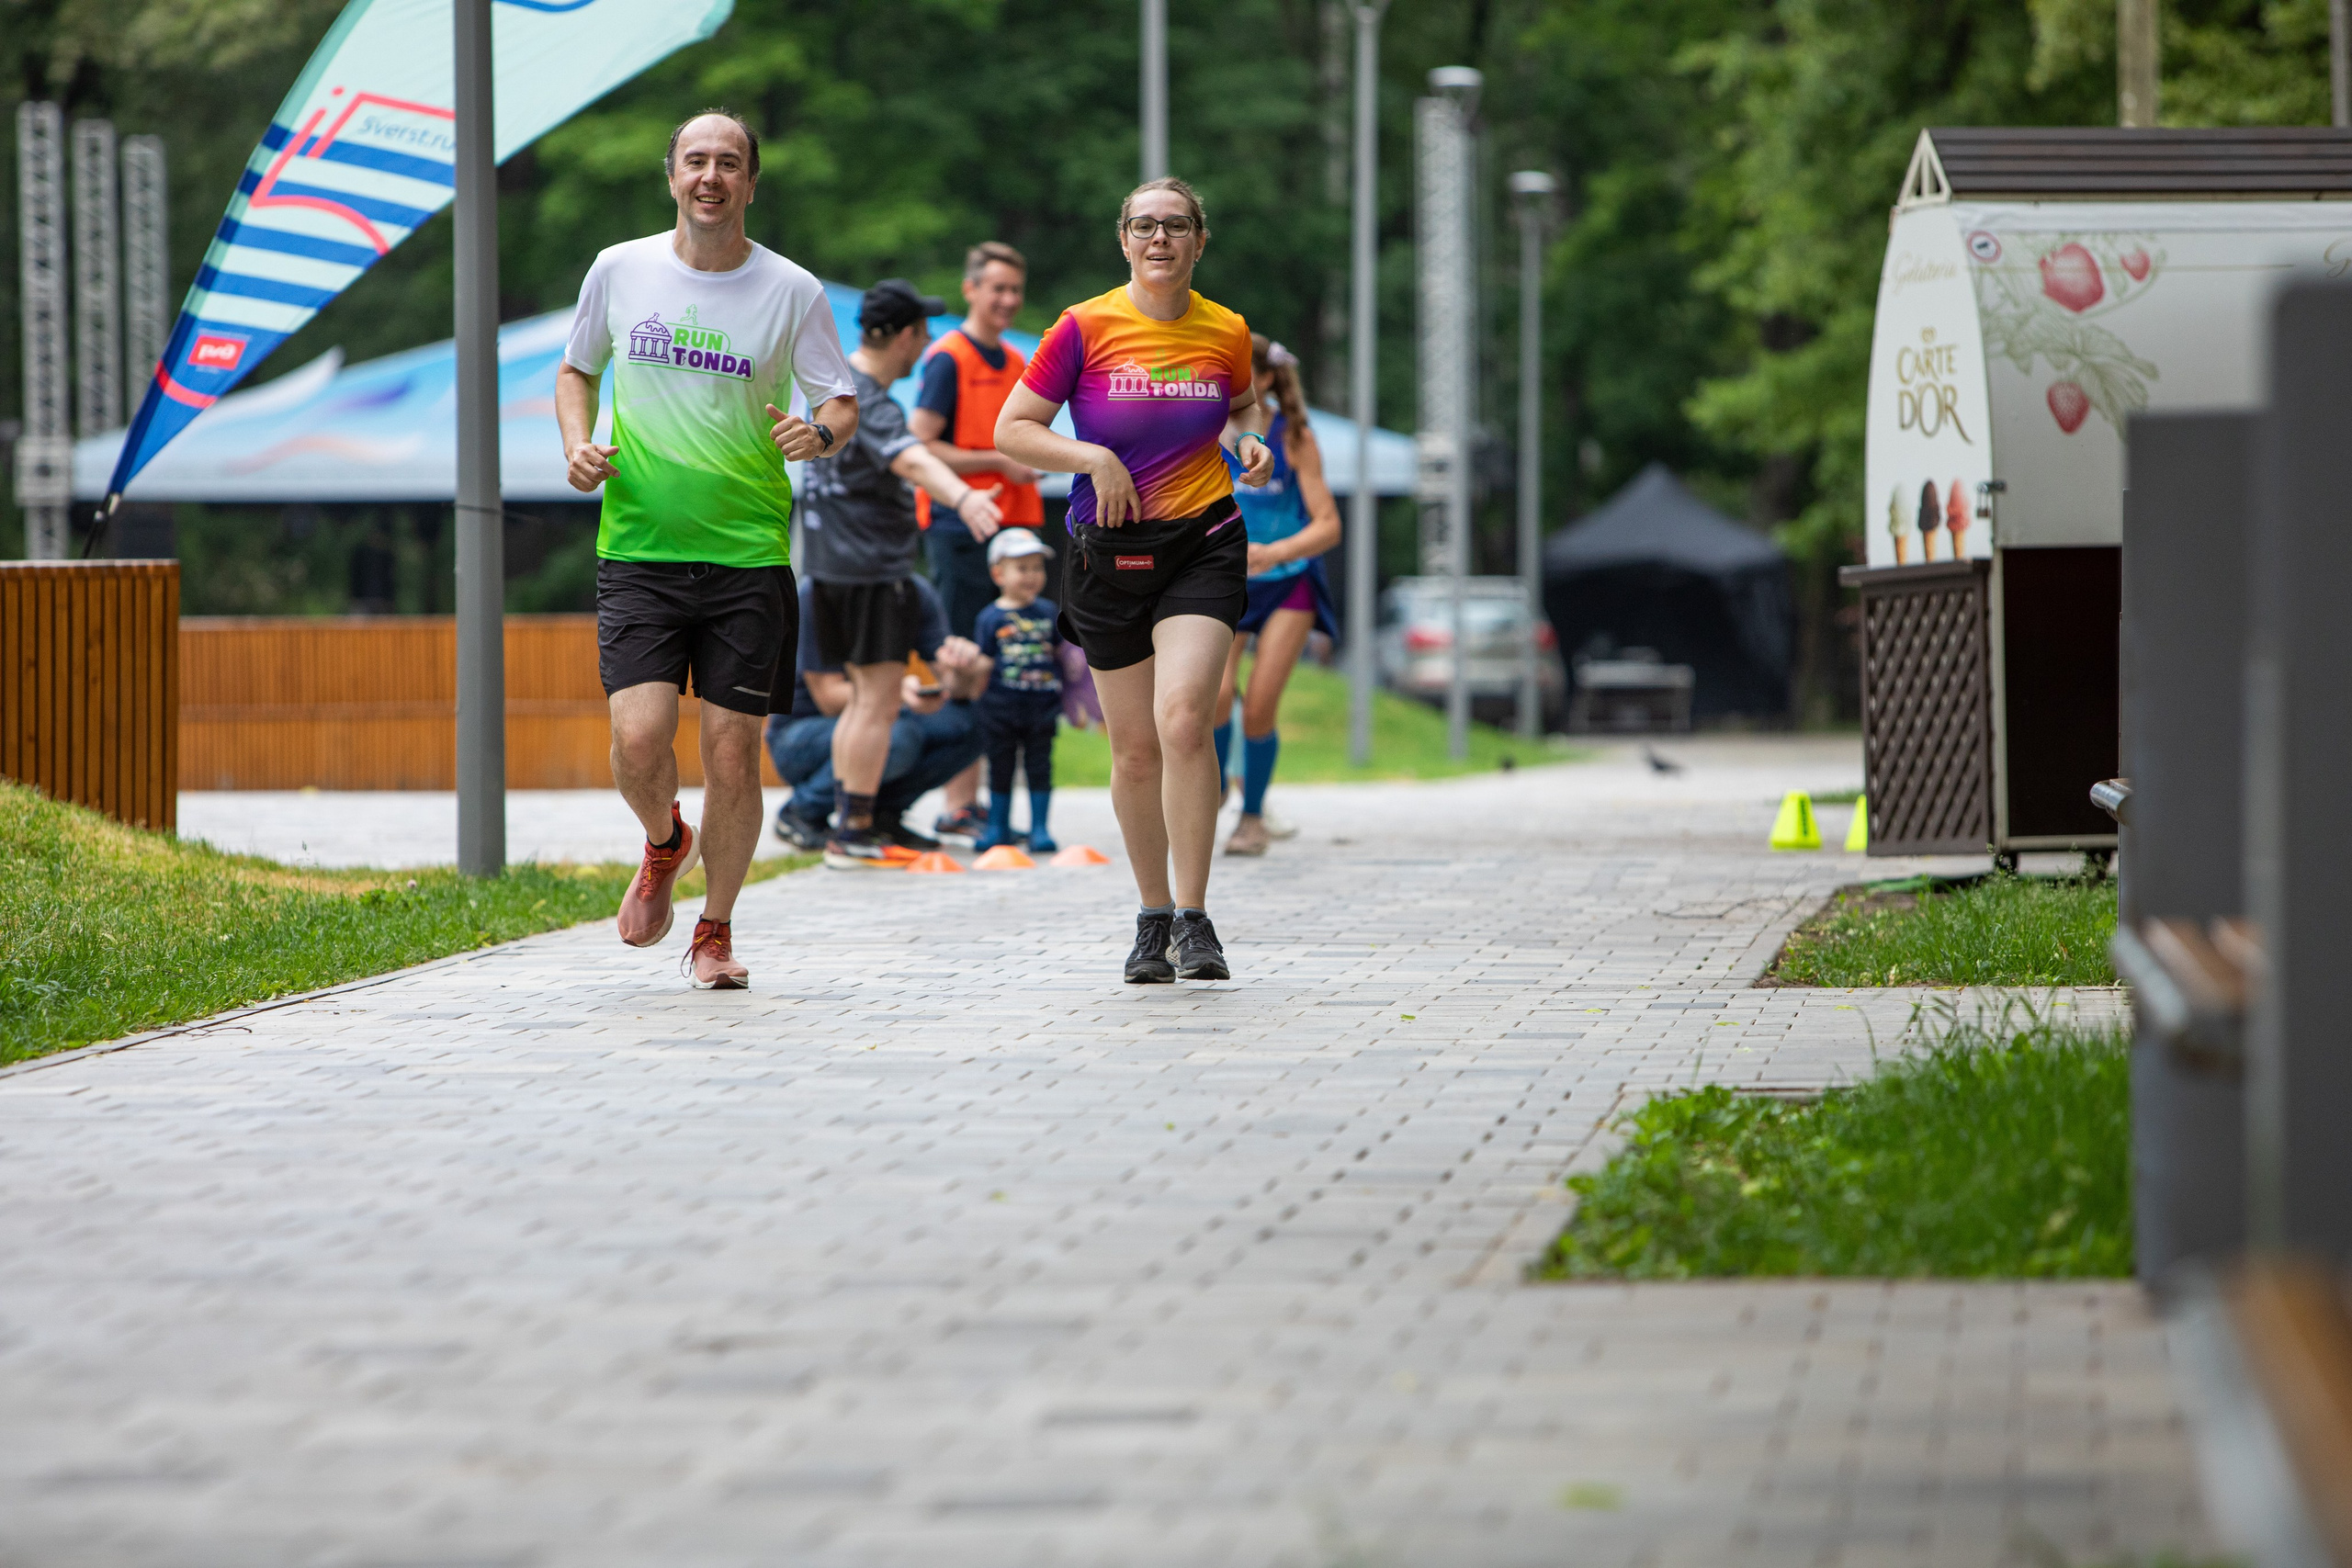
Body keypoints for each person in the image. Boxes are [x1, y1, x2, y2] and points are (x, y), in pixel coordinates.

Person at [556, 107, 858, 990]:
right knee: (640, 738)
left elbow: (838, 398)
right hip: (640, 546)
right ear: (673, 175)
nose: (712, 177)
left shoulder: (791, 289)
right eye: (697, 161)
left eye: (730, 162)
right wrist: (578, 444)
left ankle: (716, 930)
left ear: (751, 183)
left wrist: (820, 436)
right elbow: (577, 369)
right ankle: (664, 843)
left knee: (732, 752)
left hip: (748, 554)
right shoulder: (620, 269)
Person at [996, 175, 1274, 984]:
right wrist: (1092, 455)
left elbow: (1242, 405)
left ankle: (1196, 918)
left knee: (1186, 717)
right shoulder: (1083, 327)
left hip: (1203, 540)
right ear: (1123, 240)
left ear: (1199, 240)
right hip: (1107, 553)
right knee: (1137, 748)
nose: (1160, 239)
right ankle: (1152, 915)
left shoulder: (1225, 329)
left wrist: (1248, 441)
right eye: (1144, 226)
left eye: (1176, 225)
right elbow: (1012, 430)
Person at [800, 278, 1005, 869]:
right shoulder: (872, 401)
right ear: (906, 336)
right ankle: (855, 829)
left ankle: (848, 821)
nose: (926, 343)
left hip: (826, 567)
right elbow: (912, 457)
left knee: (865, 698)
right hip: (869, 571)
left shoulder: (829, 389)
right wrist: (964, 498)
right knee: (878, 703)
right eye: (922, 331)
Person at [910, 241, 1045, 842]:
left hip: (1016, 531)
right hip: (959, 530)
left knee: (1008, 666)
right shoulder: (948, 358)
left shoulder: (1019, 359)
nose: (1008, 301)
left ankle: (988, 805)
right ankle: (958, 803)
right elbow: (919, 446)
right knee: (965, 657)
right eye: (997, 289)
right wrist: (1000, 460)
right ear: (971, 290)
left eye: (1015, 290)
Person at [1214, 335, 1342, 856]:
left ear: (1266, 379)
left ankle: (1251, 817)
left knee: (1259, 708)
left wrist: (1275, 551)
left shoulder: (1295, 438)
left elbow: (1328, 525)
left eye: (1241, 371)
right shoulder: (1208, 433)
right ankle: (1216, 784)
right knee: (1215, 694)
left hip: (1289, 583)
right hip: (1226, 581)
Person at [766, 574, 989, 849]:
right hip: (801, 734)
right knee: (897, 736)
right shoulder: (817, 590)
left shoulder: (913, 590)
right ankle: (802, 813)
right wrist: (895, 694)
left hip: (885, 711)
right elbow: (828, 697)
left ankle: (882, 816)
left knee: (974, 723)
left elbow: (954, 687)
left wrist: (963, 670)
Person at [971, 530, 1063, 853]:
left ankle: (1039, 828)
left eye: (1037, 568)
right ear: (998, 574)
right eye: (1022, 568)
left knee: (1040, 766)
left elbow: (1062, 656)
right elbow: (983, 662)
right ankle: (998, 826)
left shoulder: (1049, 613)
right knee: (1001, 766)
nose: (1032, 576)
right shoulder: (989, 617)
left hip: (1042, 707)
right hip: (999, 709)